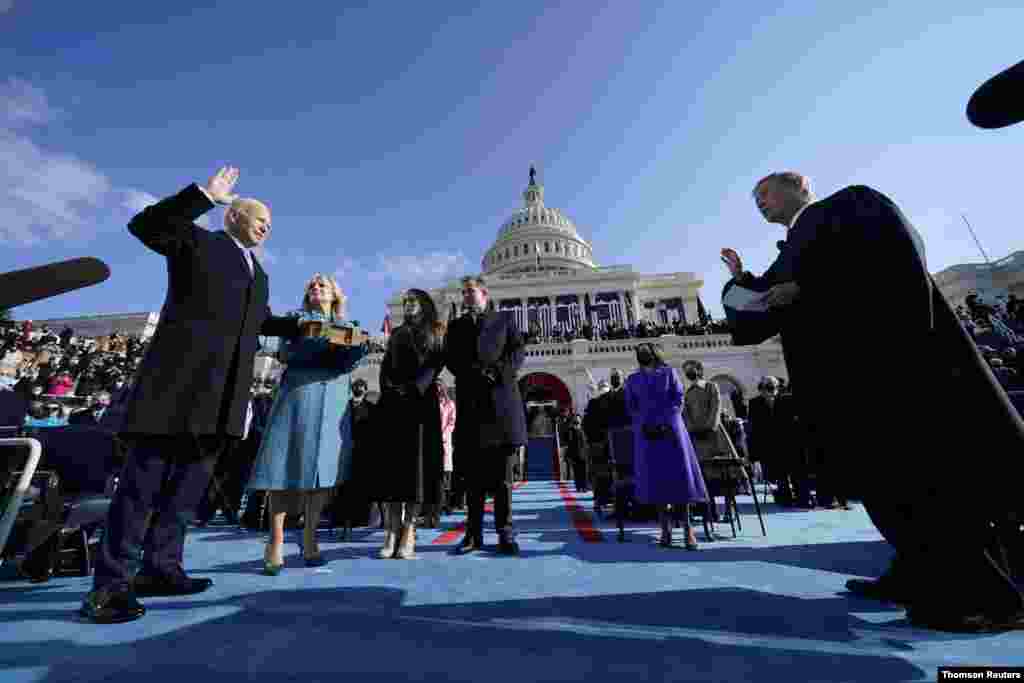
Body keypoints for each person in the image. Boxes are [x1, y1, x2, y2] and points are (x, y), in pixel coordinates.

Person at [725, 171, 1024, 632]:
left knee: (928, 487)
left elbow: (898, 258)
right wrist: (743, 281)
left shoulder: (851, 205)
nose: (760, 203)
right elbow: (757, 317)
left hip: (888, 374)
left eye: (765, 193)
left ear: (800, 185)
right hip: (847, 391)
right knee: (888, 492)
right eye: (755, 200)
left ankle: (991, 598)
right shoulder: (794, 246)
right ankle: (913, 573)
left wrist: (809, 288)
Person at [80, 166, 297, 624]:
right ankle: (109, 587)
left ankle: (162, 568)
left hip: (221, 403)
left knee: (185, 495)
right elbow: (146, 226)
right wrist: (203, 195)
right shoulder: (197, 243)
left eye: (271, 225)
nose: (266, 227)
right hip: (175, 391)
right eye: (260, 218)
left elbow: (259, 323)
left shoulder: (259, 276)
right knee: (139, 493)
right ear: (233, 216)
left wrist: (299, 326)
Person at [247, 274, 368, 573]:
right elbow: (280, 348)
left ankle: (310, 536)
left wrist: (356, 347)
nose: (316, 289)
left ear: (335, 296)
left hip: (333, 398)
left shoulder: (348, 326)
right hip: (299, 394)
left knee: (323, 472)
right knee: (283, 467)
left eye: (322, 286)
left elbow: (351, 361)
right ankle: (275, 540)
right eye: (312, 286)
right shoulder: (294, 320)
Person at [445, 275, 527, 555]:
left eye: (471, 291)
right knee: (473, 479)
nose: (467, 296)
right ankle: (473, 533)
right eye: (463, 292)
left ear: (484, 293)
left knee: (503, 479)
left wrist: (497, 372)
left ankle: (506, 532)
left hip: (501, 405)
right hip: (472, 407)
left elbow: (517, 351)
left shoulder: (504, 320)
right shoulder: (455, 326)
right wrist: (472, 374)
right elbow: (451, 358)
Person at [365, 289, 446, 560]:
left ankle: (409, 529)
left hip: (421, 406)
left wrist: (413, 389)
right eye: (406, 301)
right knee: (392, 470)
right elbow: (385, 366)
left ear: (423, 305)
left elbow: (435, 366)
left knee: (416, 471)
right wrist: (389, 389)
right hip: (394, 406)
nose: (409, 305)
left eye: (413, 301)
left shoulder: (434, 333)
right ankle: (391, 529)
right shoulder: (397, 333)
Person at [625, 343, 708, 549]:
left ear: (654, 354)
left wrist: (665, 422)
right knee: (657, 481)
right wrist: (644, 424)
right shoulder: (632, 379)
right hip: (647, 433)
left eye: (645, 351)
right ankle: (665, 529)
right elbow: (631, 406)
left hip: (671, 431)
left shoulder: (669, 373)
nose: (642, 353)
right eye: (639, 352)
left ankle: (689, 530)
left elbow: (678, 399)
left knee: (680, 478)